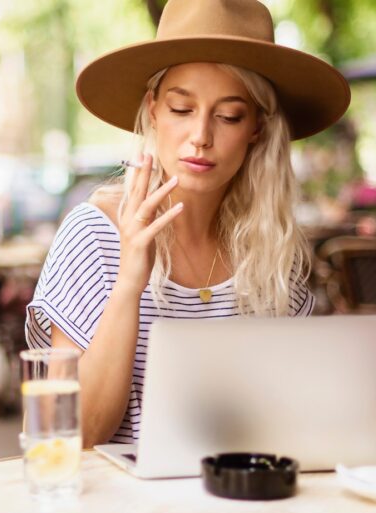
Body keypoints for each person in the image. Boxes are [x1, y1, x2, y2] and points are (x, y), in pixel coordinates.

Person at [25, 0, 351, 447]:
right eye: (181, 109)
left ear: (256, 127)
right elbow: (67, 436)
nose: (201, 135)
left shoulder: (271, 249)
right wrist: (128, 281)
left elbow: (291, 417)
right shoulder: (94, 234)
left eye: (229, 115)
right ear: (153, 110)